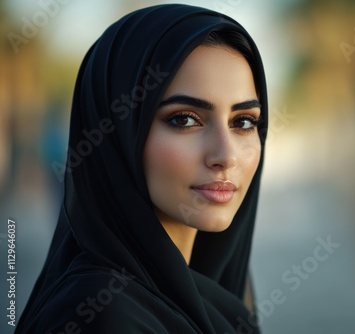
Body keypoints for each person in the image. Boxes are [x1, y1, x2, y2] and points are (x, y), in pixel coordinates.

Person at [16, 4, 268, 333]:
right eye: (184, 119)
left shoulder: (210, 294)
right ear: (117, 135)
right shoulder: (100, 315)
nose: (226, 155)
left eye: (243, 121)